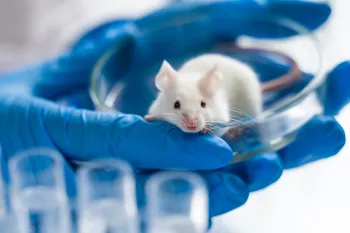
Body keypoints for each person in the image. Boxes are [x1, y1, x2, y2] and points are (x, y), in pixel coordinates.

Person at [0, 0, 348, 227]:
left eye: (199, 111)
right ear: (162, 84)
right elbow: (156, 111)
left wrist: (235, 128)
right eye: (179, 109)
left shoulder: (213, 94)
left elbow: (221, 113)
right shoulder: (170, 93)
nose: (192, 121)